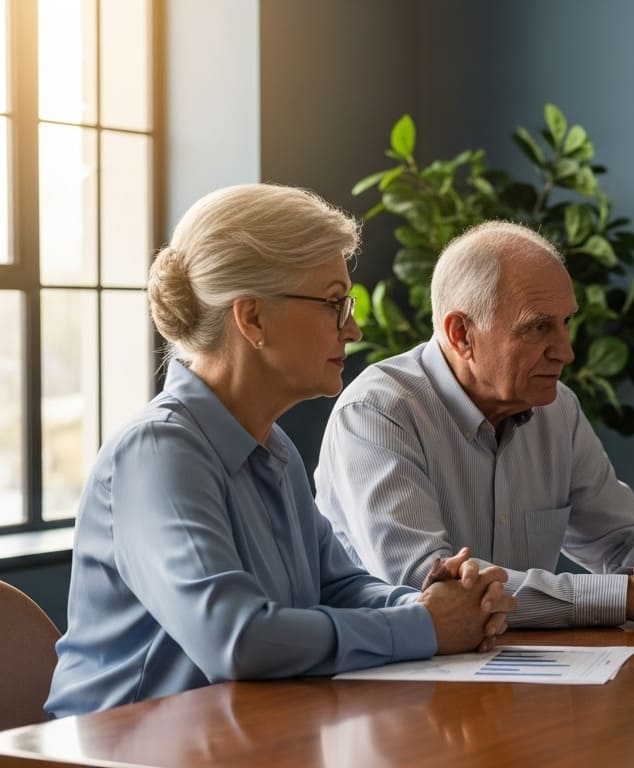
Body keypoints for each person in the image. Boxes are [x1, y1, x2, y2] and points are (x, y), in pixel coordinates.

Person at [46, 184, 515, 718]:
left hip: (240, 740)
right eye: (334, 304)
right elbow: (237, 639)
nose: (354, 329)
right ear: (252, 319)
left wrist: (440, 604)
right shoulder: (158, 452)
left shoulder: (274, 447)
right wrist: (427, 625)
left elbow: (336, 586)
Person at [315, 221, 634, 628]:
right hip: (396, 678)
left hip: (525, 671)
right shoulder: (377, 413)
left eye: (566, 323)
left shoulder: (557, 407)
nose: (566, 352)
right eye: (539, 327)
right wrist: (626, 597)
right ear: (462, 335)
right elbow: (426, 584)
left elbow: (623, 538)